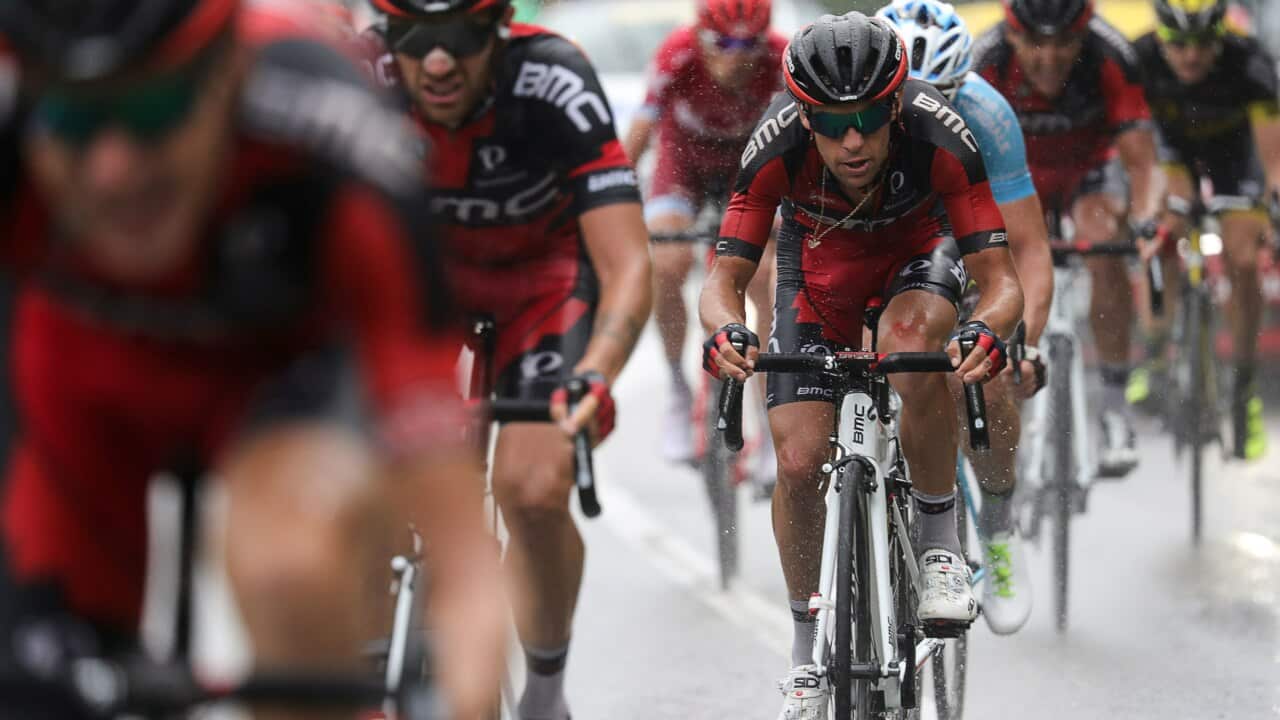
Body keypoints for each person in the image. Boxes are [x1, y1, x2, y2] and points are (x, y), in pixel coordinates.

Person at [0, 1, 506, 719]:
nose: (112, 172)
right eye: (74, 120)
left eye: (152, 108)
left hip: (280, 378)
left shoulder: (332, 139)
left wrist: (469, 691)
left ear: (229, 77)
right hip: (80, 390)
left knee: (291, 570)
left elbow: (463, 565)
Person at [699, 13, 1024, 718]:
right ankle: (804, 650)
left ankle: (939, 544)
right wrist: (728, 329)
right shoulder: (775, 144)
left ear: (897, 104)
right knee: (798, 460)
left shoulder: (940, 135)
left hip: (919, 257)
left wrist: (987, 330)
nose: (852, 140)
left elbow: (1000, 281)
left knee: (911, 348)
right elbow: (722, 281)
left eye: (871, 117)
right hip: (818, 275)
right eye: (831, 122)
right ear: (803, 114)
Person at [363, 2, 652, 718]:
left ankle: (546, 693)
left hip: (543, 284)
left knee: (531, 488)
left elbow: (627, 265)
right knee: (360, 482)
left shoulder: (552, 78)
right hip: (424, 283)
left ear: (494, 34)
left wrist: (597, 373)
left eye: (459, 39)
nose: (437, 63)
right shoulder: (357, 74)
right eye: (415, 40)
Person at [877, 0, 1052, 636]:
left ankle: (1000, 528)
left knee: (978, 371)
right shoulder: (851, 117)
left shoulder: (987, 114)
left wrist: (1020, 342)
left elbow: (1028, 247)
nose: (929, 116)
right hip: (883, 242)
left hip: (964, 241)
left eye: (943, 96)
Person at [972, 0, 1167, 477]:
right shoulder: (987, 60)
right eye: (1035, 43)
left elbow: (1143, 165)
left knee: (1104, 243)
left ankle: (1115, 406)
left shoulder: (1110, 55)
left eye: (1064, 43)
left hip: (1089, 175)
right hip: (1016, 182)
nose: (1050, 58)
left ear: (1084, 34)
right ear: (1012, 36)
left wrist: (1144, 220)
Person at [622, 0, 786, 470]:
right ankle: (677, 387)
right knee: (667, 262)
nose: (738, 57)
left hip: (746, 167)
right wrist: (607, 200)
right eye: (725, 44)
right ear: (700, 38)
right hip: (684, 165)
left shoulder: (779, 59)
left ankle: (769, 420)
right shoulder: (677, 54)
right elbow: (637, 135)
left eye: (749, 44)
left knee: (764, 279)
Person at [1128, 0, 1279, 460]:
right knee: (1163, 231)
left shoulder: (1250, 61)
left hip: (1236, 161)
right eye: (1179, 45)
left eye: (1203, 44)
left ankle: (1243, 388)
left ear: (1222, 36)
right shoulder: (1138, 59)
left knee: (1244, 257)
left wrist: (1272, 204)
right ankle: (1155, 349)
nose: (1191, 57)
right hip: (1170, 154)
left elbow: (1272, 157)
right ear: (1160, 37)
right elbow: (1133, 143)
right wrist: (1150, 207)